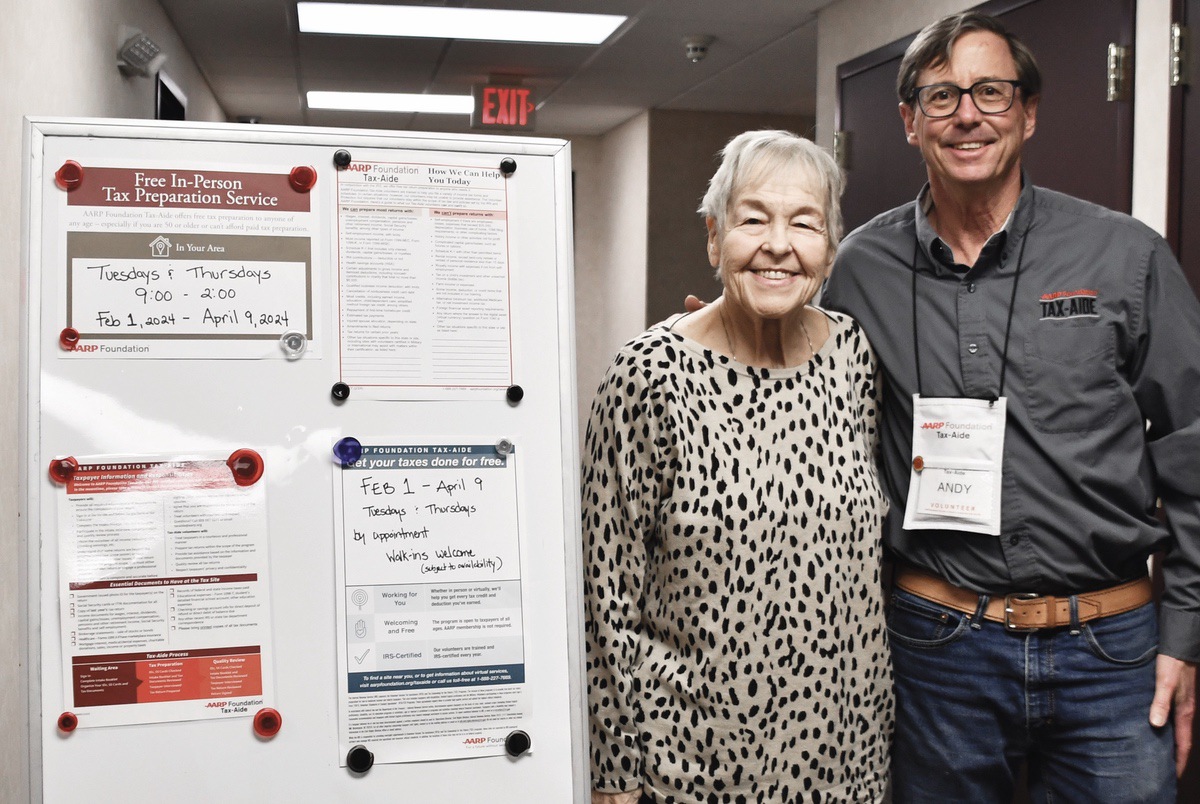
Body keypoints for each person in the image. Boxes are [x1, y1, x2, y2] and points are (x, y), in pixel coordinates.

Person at [818, 11, 1200, 802]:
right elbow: (812, 403)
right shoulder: (861, 268)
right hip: (939, 648)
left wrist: (1186, 635)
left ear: (1028, 112)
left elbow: (1194, 443)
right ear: (909, 120)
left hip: (1114, 652)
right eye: (942, 95)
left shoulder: (1125, 256)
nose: (968, 114)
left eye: (991, 92)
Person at [583, 130, 893, 803]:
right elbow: (605, 594)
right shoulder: (649, 375)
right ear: (714, 237)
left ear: (830, 247)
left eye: (804, 223)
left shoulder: (854, 359)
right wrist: (613, 773)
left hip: (842, 758)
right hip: (692, 763)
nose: (778, 244)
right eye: (753, 219)